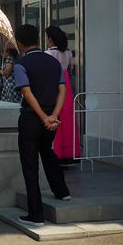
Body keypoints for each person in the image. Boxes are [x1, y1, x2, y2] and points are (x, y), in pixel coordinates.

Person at [14, 24, 71, 227]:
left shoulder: (21, 64)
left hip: (31, 119)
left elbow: (26, 93)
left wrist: (42, 116)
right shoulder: (53, 63)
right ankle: (62, 191)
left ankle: (36, 215)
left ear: (19, 43)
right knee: (47, 153)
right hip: (50, 121)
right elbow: (62, 91)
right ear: (38, 40)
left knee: (30, 166)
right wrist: (52, 116)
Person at [45, 26, 80, 162]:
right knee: (68, 119)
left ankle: (57, 153)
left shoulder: (48, 54)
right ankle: (70, 153)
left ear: (50, 39)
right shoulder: (68, 53)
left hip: (55, 85)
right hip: (67, 86)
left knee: (55, 116)